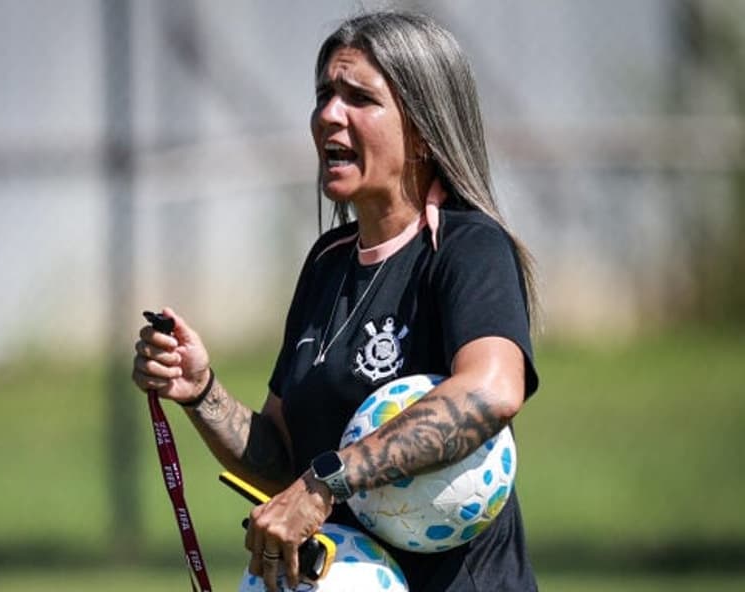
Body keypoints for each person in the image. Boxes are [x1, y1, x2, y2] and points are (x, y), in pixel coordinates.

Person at [132, 10, 540, 592]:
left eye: (359, 98)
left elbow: (490, 390)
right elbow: (282, 464)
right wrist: (201, 391)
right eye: (324, 94)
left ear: (423, 129)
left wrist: (328, 483)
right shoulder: (327, 263)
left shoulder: (468, 246)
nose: (328, 115)